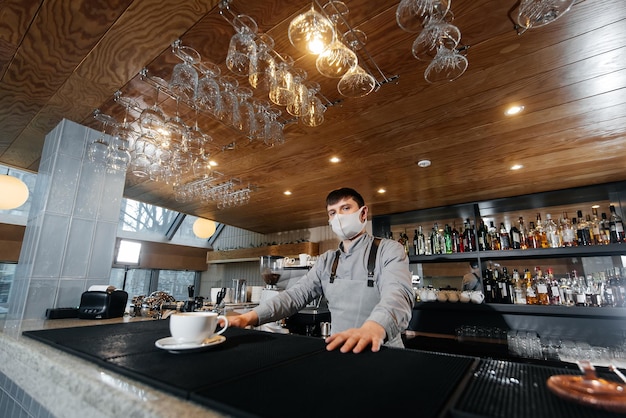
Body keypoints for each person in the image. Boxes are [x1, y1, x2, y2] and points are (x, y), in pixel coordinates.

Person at [228, 187, 414, 353]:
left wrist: (374, 328)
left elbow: (398, 294)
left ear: (363, 213)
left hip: (384, 352)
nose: (339, 217)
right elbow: (295, 295)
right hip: (339, 350)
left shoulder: (388, 250)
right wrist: (248, 318)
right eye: (332, 212)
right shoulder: (327, 260)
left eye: (346, 208)